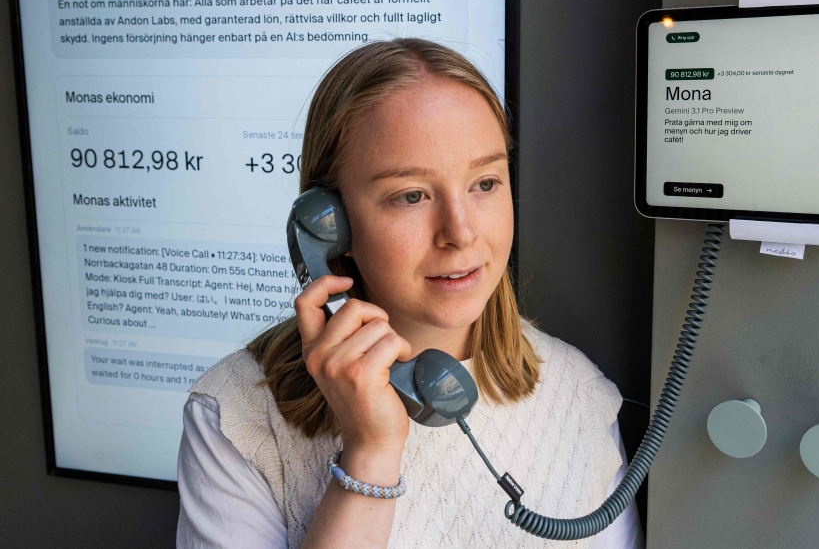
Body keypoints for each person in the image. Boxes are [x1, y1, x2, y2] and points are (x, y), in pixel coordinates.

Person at [176, 38, 643, 548]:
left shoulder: (577, 396)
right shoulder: (238, 415)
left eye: (485, 183)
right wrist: (371, 452)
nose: (460, 233)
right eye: (411, 196)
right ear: (330, 227)